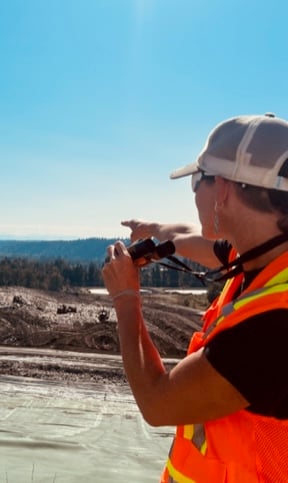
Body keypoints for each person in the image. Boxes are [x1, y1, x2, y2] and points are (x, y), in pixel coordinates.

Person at [101, 113, 288, 482]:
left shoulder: (272, 329)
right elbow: (190, 236)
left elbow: (158, 402)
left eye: (195, 184)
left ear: (222, 189)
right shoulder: (264, 259)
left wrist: (125, 298)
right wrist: (154, 233)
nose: (194, 196)